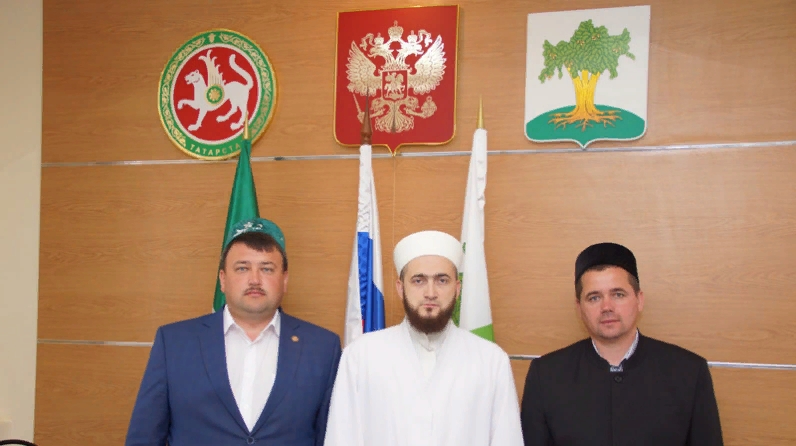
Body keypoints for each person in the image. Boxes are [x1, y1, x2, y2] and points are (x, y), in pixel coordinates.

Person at [126, 218, 342, 446]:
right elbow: (144, 437)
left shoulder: (322, 348)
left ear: (284, 280)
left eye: (267, 269)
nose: (255, 280)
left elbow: (333, 437)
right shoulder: (174, 343)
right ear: (223, 279)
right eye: (242, 268)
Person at [324, 230, 524, 446]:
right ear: (400, 288)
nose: (430, 292)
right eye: (418, 280)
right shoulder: (360, 356)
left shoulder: (491, 361)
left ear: (457, 289)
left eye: (442, 280)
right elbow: (341, 438)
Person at [520, 242, 723, 446]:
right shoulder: (545, 376)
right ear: (579, 308)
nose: (607, 307)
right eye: (594, 297)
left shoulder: (689, 372)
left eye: (618, 294)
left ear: (639, 300)